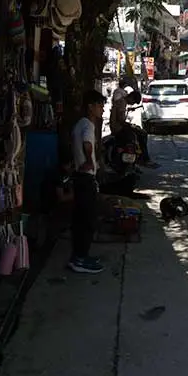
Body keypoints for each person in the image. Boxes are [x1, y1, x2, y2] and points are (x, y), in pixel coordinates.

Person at [69, 90, 106, 274]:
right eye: (99, 105)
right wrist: (90, 161)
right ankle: (80, 259)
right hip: (85, 178)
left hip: (79, 176)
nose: (102, 109)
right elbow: (87, 144)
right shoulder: (88, 126)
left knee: (81, 219)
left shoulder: (79, 124)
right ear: (90, 106)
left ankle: (79, 256)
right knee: (88, 220)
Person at [110, 81, 159, 168]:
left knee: (138, 132)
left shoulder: (122, 102)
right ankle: (144, 159)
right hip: (118, 129)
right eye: (133, 102)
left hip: (119, 127)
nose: (132, 104)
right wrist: (130, 126)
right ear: (131, 98)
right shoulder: (122, 103)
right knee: (142, 133)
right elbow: (121, 120)